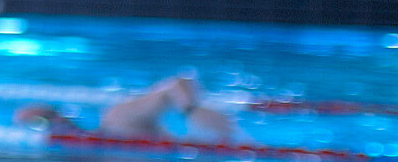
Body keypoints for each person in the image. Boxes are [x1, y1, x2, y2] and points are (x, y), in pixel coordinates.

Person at [13, 75, 247, 144]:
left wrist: (192, 109)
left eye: (45, 121)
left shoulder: (119, 122)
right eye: (35, 127)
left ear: (64, 118)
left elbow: (177, 84)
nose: (51, 130)